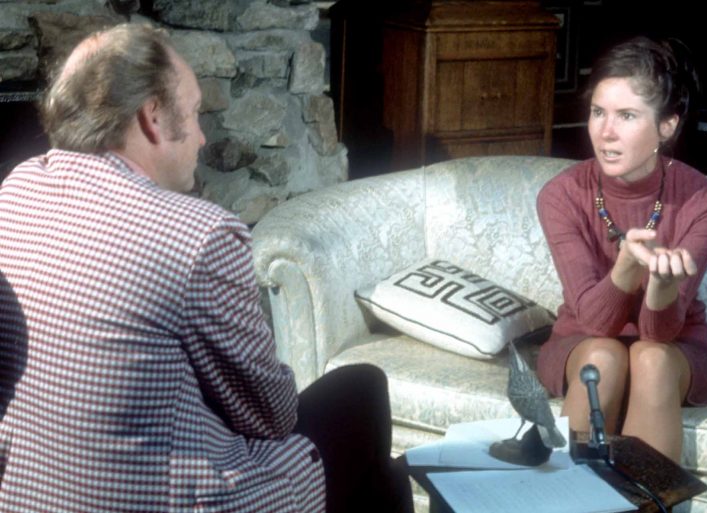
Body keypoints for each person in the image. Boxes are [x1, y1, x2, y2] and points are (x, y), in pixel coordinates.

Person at [0, 23, 412, 513]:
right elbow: (273, 415)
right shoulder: (199, 234)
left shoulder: (16, 190)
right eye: (195, 114)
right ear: (152, 116)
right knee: (362, 390)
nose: (200, 137)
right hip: (163, 500)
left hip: (30, 495)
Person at [535, 36, 707, 462]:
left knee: (650, 359)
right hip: (582, 341)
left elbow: (660, 333)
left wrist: (661, 288)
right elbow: (595, 322)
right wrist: (627, 267)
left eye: (627, 115)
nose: (605, 132)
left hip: (677, 350)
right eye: (598, 112)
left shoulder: (704, 202)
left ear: (667, 126)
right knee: (604, 357)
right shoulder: (561, 195)